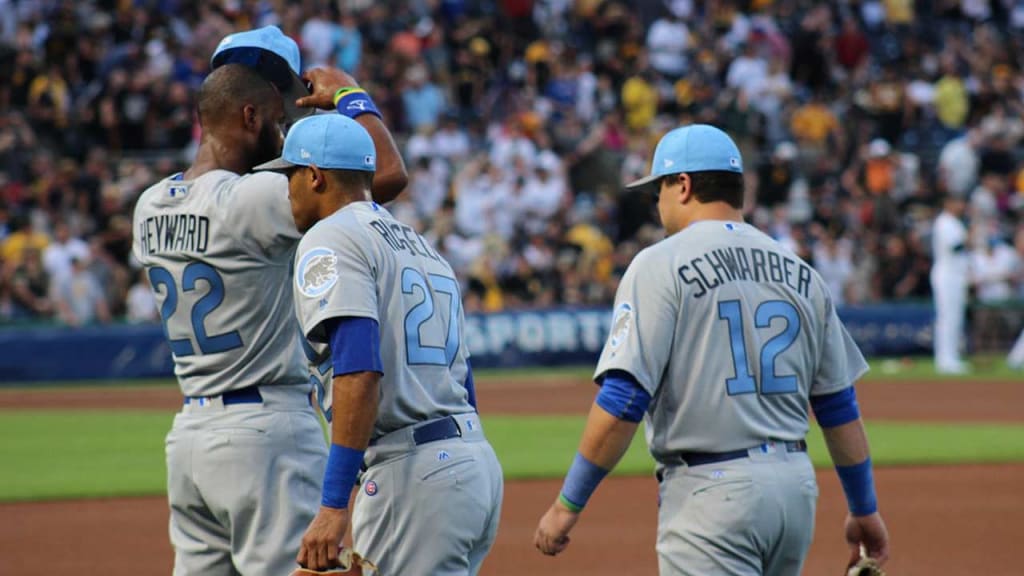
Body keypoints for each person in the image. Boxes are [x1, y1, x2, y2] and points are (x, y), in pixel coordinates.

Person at [534, 125, 890, 575]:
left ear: (682, 185)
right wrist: (863, 507)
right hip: (795, 491)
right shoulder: (800, 271)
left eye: (658, 189)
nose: (657, 203)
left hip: (712, 494)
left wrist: (568, 503)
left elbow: (623, 398)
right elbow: (838, 405)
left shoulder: (659, 263)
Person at [131, 27, 407, 576]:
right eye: (281, 122)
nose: (287, 137)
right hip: (266, 431)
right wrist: (352, 96)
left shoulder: (149, 205)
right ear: (252, 117)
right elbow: (380, 178)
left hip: (190, 434)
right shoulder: (247, 199)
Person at [253, 113, 502, 575]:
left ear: (314, 176)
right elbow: (461, 377)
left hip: (412, 474)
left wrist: (333, 504)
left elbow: (359, 370)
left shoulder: (330, 237)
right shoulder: (423, 247)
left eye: (289, 175)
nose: (286, 188)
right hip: (471, 464)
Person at [931, 194, 970, 374]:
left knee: (955, 318)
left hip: (956, 276)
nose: (961, 205)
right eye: (958, 201)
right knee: (948, 317)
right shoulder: (944, 221)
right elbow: (955, 247)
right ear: (948, 203)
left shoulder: (955, 222)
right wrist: (971, 236)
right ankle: (945, 359)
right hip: (946, 275)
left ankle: (952, 357)